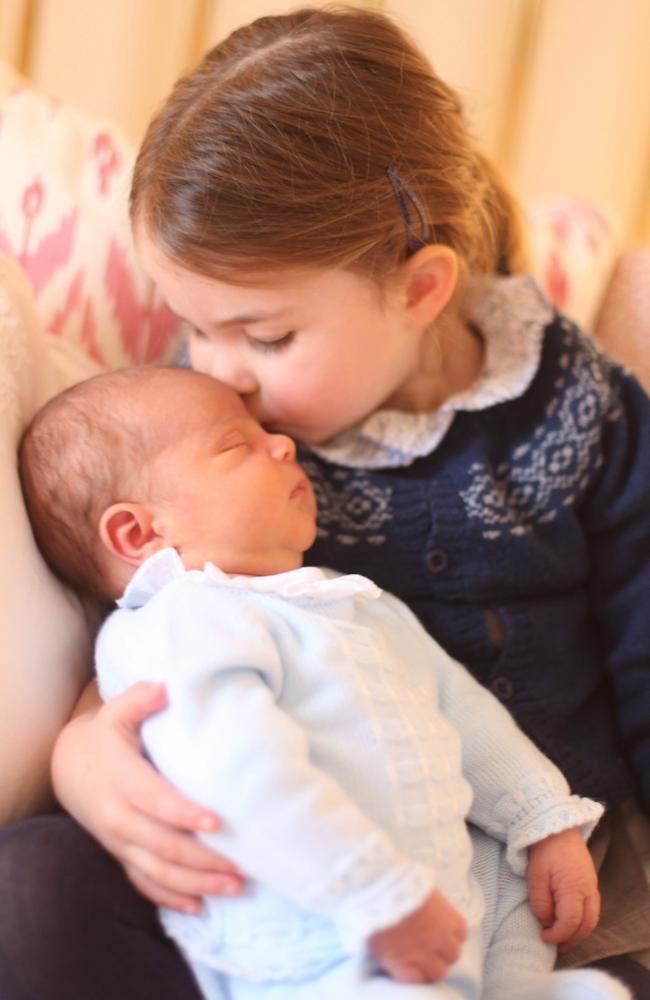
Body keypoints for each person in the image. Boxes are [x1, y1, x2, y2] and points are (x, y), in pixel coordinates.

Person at [0, 7, 648, 999]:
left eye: (261, 336)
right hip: (296, 864)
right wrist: (87, 752)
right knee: (33, 885)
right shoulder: (204, 426)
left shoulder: (581, 409)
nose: (221, 374)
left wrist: (557, 827)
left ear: (420, 287)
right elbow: (146, 611)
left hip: (543, 878)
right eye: (191, 326)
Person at [18, 364, 627, 1000]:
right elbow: (240, 774)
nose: (283, 445)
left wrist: (541, 819)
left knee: (516, 906)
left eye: (265, 432)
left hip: (447, 912)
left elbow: (463, 712)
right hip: (325, 940)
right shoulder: (180, 622)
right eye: (235, 444)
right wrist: (374, 895)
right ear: (139, 533)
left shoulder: (357, 604)